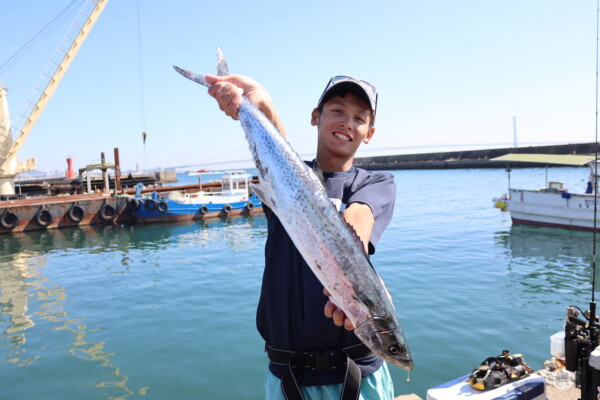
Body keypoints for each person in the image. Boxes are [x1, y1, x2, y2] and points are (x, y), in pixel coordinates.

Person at [205, 73, 397, 400]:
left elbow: (358, 221)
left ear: (370, 133)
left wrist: (364, 288)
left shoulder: (376, 183)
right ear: (315, 117)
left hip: (360, 379)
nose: (347, 122)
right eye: (337, 110)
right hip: (287, 379)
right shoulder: (286, 181)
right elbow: (287, 168)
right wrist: (262, 104)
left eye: (359, 118)